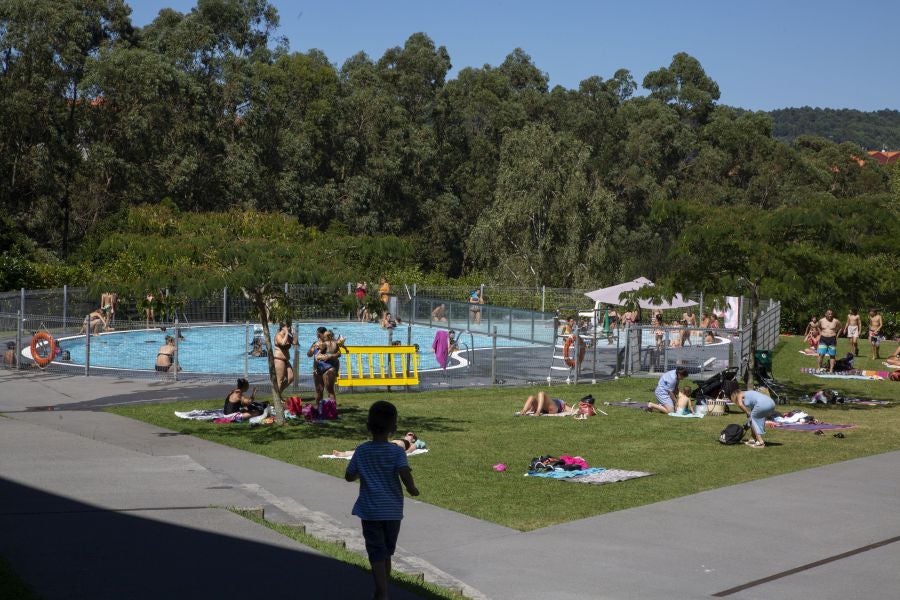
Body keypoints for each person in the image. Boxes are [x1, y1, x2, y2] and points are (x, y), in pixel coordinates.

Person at [345, 400, 419, 600]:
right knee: (385, 552)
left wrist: (361, 471)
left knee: (377, 552)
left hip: (370, 510)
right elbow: (404, 472)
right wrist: (412, 488)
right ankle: (382, 590)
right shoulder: (396, 451)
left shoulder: (362, 451)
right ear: (394, 428)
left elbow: (349, 476)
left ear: (368, 427)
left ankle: (382, 591)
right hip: (393, 511)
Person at [722, 379, 776, 449]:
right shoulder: (748, 393)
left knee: (753, 420)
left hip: (763, 404)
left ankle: (760, 442)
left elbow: (741, 405)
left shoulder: (739, 395)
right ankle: (753, 439)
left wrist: (747, 412)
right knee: (753, 420)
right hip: (771, 403)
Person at [308, 327, 343, 409]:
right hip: (317, 369)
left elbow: (339, 354)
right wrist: (312, 349)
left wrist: (329, 356)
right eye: (317, 333)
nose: (317, 335)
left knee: (329, 389)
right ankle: (318, 409)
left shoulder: (332, 343)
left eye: (319, 333)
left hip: (329, 368)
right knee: (319, 391)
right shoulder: (315, 343)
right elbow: (309, 354)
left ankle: (333, 410)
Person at [333, 432, 419, 457]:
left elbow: (410, 450)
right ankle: (342, 454)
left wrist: (403, 453)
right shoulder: (401, 439)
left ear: (414, 438)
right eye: (407, 434)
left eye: (410, 434)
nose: (408, 435)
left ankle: (343, 454)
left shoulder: (412, 443)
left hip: (393, 448)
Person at [273, 322, 296, 393]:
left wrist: (293, 333)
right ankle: (278, 398)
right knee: (280, 380)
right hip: (279, 359)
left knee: (291, 378)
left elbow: (295, 343)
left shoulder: (288, 336)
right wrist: (286, 333)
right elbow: (282, 343)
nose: (289, 328)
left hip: (286, 360)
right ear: (283, 327)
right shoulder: (278, 335)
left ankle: (279, 393)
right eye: (288, 326)